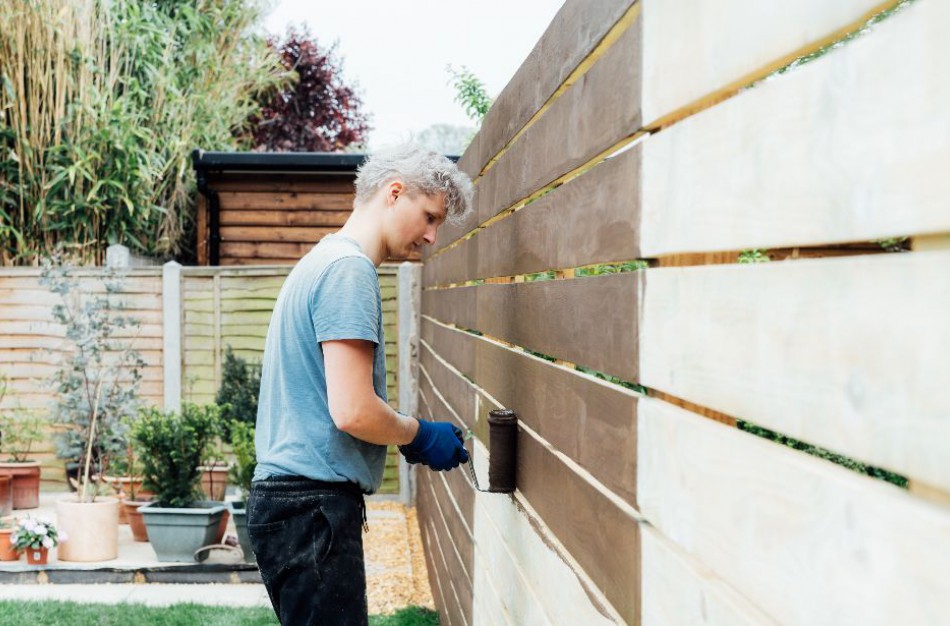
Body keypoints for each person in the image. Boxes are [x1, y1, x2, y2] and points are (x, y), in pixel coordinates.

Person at [247, 143, 473, 626]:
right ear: (395, 193)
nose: (433, 237)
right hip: (310, 509)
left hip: (295, 507)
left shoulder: (324, 260)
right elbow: (352, 410)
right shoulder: (348, 272)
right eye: (430, 216)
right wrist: (420, 435)